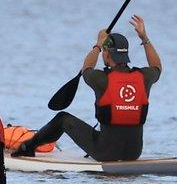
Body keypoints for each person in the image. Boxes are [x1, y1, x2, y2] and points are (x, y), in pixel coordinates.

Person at [11, 15, 163, 163]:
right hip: (134, 152)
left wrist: (98, 44)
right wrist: (144, 38)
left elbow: (86, 68)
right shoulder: (144, 77)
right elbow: (157, 67)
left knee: (63, 118)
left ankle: (28, 146)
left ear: (107, 54)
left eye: (104, 51)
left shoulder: (100, 79)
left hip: (105, 152)